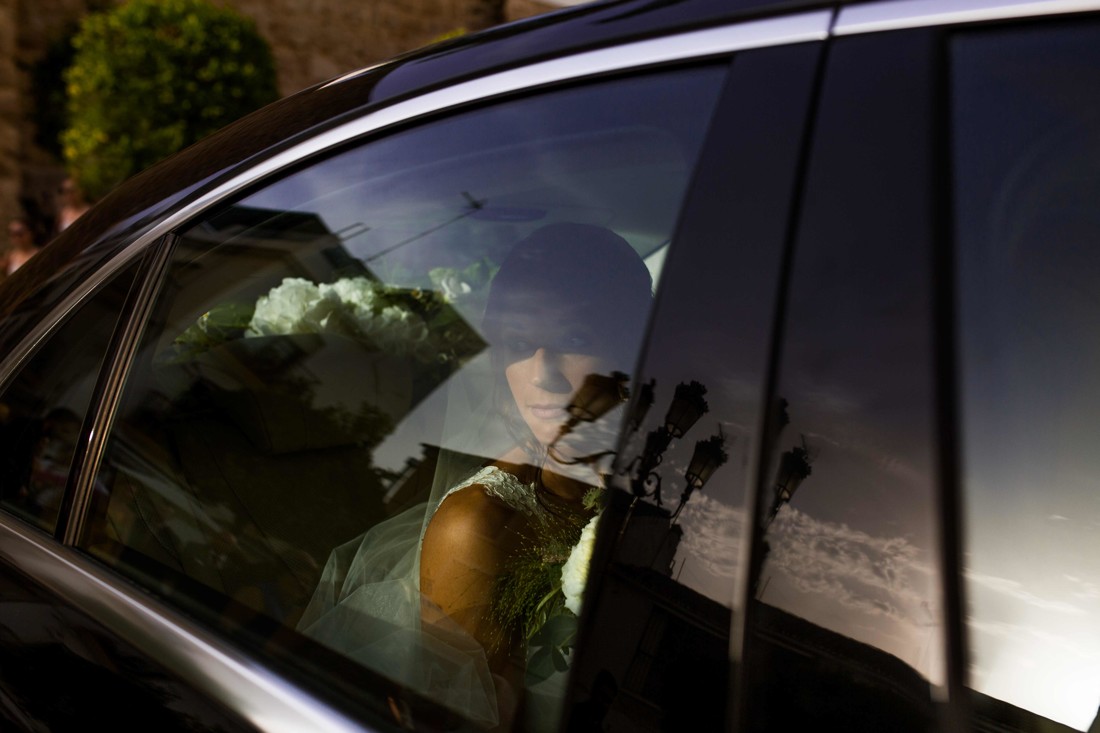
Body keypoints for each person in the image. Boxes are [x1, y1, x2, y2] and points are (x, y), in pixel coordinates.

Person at [298, 223, 653, 730]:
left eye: (574, 339)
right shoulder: (479, 527)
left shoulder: (650, 476)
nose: (542, 374)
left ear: (632, 348)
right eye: (519, 343)